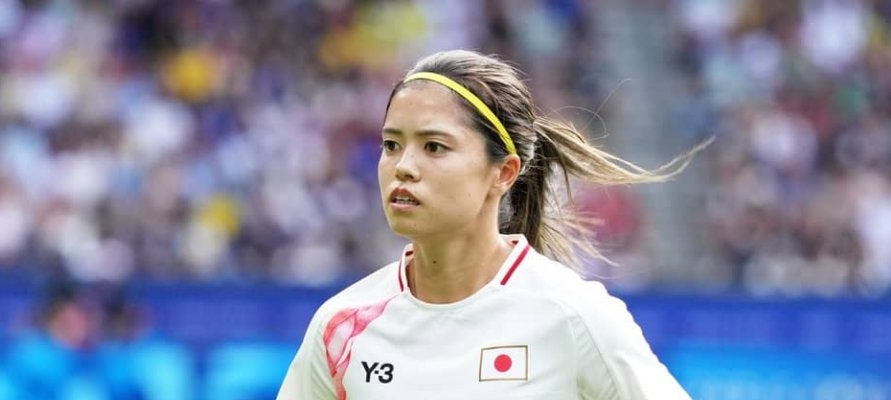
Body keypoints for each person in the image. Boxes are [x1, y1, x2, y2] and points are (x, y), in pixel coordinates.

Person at [277, 49, 706, 399]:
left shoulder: (573, 315)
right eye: (391, 145)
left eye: (434, 146)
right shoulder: (341, 324)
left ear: (503, 172)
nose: (403, 166)